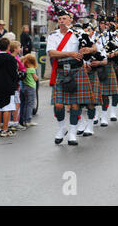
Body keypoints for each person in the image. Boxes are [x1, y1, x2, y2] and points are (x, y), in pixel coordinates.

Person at [47, 9, 97, 146]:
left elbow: (94, 46)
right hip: (62, 70)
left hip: (76, 69)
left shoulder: (79, 33)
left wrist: (89, 50)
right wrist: (70, 53)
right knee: (58, 104)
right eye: (60, 19)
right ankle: (62, 128)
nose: (62, 21)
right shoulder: (53, 35)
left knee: (75, 104)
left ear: (70, 20)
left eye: (64, 19)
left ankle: (73, 133)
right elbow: (52, 53)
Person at [0, 38, 19, 137]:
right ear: (9, 47)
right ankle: (5, 129)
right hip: (8, 85)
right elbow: (14, 74)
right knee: (6, 108)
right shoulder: (11, 59)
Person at [9, 41, 27, 132]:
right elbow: (20, 69)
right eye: (20, 47)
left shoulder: (16, 57)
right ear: (15, 49)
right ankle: (14, 123)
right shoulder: (14, 58)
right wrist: (22, 73)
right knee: (16, 103)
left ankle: (10, 122)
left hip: (11, 84)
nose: (21, 49)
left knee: (12, 103)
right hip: (14, 85)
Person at [20, 53, 38, 127]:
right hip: (31, 87)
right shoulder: (32, 69)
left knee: (24, 104)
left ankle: (23, 120)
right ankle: (28, 120)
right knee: (30, 104)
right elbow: (35, 78)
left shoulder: (24, 69)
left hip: (24, 87)